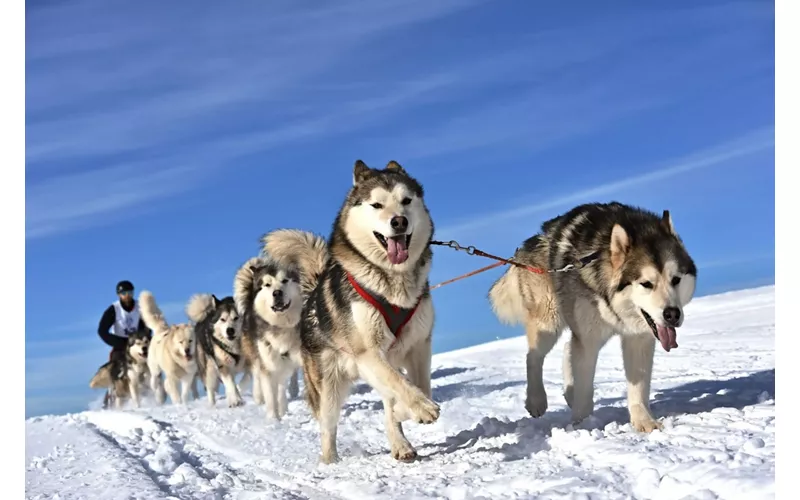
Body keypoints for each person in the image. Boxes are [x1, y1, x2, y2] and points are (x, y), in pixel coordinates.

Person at [97, 280, 151, 408]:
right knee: (118, 372)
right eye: (124, 293)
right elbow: (102, 331)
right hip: (120, 347)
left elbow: (148, 326)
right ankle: (110, 400)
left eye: (130, 293)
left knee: (150, 368)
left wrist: (145, 338)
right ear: (118, 295)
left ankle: (149, 397)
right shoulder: (114, 309)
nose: (127, 296)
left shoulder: (140, 307)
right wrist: (119, 342)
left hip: (138, 345)